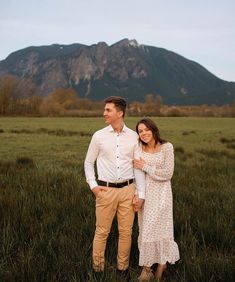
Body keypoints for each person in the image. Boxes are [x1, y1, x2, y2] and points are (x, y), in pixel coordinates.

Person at [84, 96, 145, 280]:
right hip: (105, 191)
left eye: (108, 110)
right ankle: (97, 270)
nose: (104, 113)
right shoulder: (98, 136)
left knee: (126, 232)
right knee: (102, 231)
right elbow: (88, 163)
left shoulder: (134, 137)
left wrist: (140, 194)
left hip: (128, 190)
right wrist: (93, 186)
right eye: (105, 110)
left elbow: (138, 167)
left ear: (120, 113)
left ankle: (122, 269)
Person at [133, 118, 180, 281]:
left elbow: (168, 173)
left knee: (162, 229)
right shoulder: (138, 149)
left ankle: (161, 264)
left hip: (162, 195)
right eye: (140, 131)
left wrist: (145, 167)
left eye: (147, 129)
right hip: (146, 195)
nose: (144, 133)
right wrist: (137, 194)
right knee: (146, 230)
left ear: (153, 130)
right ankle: (147, 268)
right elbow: (136, 174)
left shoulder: (167, 147)